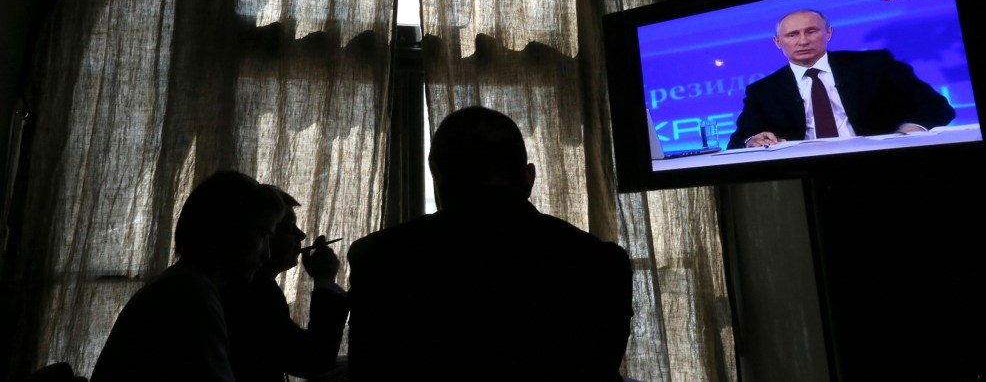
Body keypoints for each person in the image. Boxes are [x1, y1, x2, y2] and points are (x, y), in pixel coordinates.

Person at [346, 106, 634, 382]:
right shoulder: (601, 263)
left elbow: (369, 370)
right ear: (528, 177)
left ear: (438, 175)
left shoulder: (379, 258)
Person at [89, 170, 285, 382]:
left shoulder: (180, 284)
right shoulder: (192, 295)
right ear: (228, 231)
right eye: (262, 234)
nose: (267, 253)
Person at [729, 8, 956, 149]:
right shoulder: (763, 90)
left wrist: (910, 130)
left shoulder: (875, 65)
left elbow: (938, 107)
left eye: (811, 31)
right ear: (778, 42)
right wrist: (753, 141)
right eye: (792, 34)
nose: (803, 41)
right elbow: (739, 140)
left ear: (828, 33)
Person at [223, 186, 348, 382]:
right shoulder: (253, 293)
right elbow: (313, 360)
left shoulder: (253, 287)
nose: (301, 236)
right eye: (286, 226)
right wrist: (325, 279)